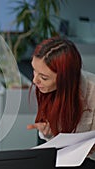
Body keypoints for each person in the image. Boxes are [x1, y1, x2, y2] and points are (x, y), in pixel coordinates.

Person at [27, 36, 95, 167]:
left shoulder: (92, 93)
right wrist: (47, 133)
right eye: (34, 71)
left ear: (65, 79)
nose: (35, 81)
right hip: (59, 154)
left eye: (44, 77)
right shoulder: (46, 88)